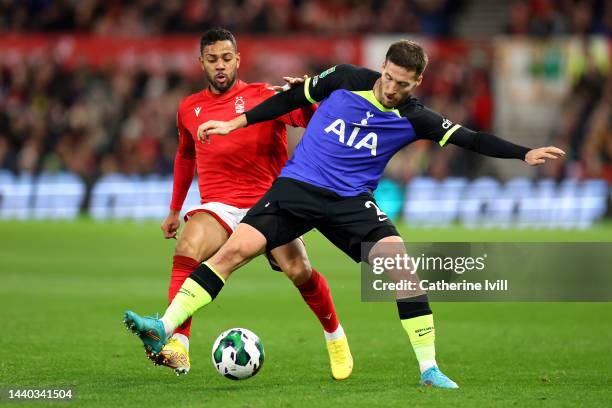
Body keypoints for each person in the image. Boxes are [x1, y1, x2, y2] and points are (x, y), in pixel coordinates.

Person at [124, 40, 565, 388]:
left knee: (402, 271)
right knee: (232, 253)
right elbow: (289, 99)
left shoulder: (416, 117)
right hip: (297, 187)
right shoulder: (348, 77)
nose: (392, 90)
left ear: (418, 82)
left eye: (403, 85)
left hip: (351, 202)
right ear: (383, 67)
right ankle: (163, 328)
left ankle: (429, 368)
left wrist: (524, 153)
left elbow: (472, 138)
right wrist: (234, 124)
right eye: (389, 78)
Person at [129, 28, 353, 380]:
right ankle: (178, 345)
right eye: (213, 59)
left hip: (270, 203)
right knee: (187, 246)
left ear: (238, 60)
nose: (221, 66)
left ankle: (335, 336)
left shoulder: (265, 95)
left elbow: (312, 124)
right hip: (220, 205)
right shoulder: (189, 107)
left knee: (299, 271)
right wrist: (175, 209)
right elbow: (186, 156)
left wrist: (306, 100)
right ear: (201, 62)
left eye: (227, 58)